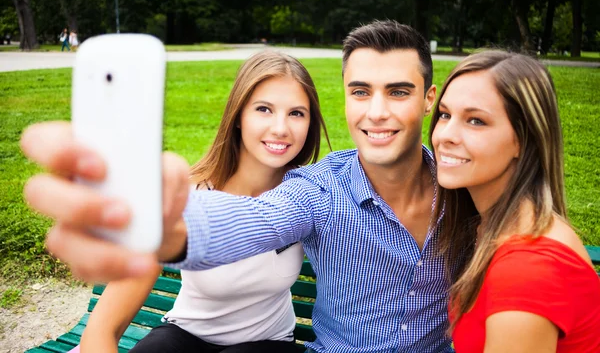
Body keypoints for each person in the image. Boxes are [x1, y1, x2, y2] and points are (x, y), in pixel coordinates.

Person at [21, 20, 452, 353]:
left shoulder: (460, 191)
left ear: (428, 99)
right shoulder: (316, 191)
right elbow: (246, 219)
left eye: (398, 92)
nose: (376, 112)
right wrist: (154, 218)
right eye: (361, 92)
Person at [429, 51, 600, 352]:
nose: (445, 135)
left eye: (476, 121)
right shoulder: (497, 225)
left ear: (524, 139)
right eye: (445, 114)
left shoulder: (527, 271)